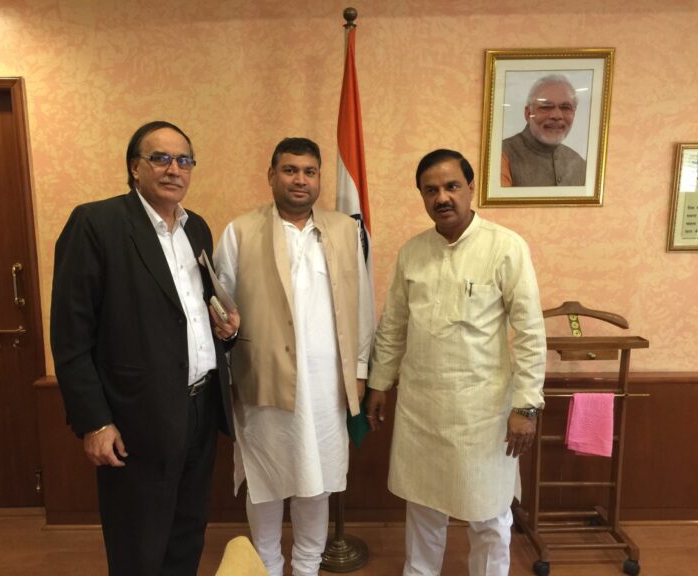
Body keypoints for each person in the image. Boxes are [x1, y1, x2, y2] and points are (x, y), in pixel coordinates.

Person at [50, 120, 240, 576]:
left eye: (184, 160)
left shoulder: (197, 229)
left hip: (199, 407)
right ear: (135, 167)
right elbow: (70, 335)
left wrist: (226, 332)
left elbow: (188, 315)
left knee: (187, 532)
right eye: (160, 158)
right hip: (136, 417)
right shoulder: (97, 223)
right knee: (138, 541)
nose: (174, 168)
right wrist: (95, 421)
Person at [366, 149, 546, 576]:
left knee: (488, 514)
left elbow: (530, 332)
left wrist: (526, 405)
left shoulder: (505, 247)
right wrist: (378, 384)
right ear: (422, 197)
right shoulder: (413, 252)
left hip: (481, 413)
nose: (442, 197)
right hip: (421, 408)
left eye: (451, 186)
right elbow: (393, 325)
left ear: (470, 188)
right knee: (424, 510)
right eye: (431, 190)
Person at [213, 137, 374, 576]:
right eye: (289, 170)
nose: (299, 179)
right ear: (271, 176)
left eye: (309, 171)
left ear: (320, 177)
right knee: (264, 485)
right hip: (262, 381)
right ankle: (265, 566)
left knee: (316, 485)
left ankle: (305, 569)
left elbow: (362, 305)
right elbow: (220, 305)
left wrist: (359, 372)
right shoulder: (240, 230)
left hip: (327, 390)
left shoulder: (344, 229)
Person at [501, 74, 587, 186]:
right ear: (528, 113)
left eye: (565, 107)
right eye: (546, 107)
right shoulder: (503, 154)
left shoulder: (579, 164)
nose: (557, 115)